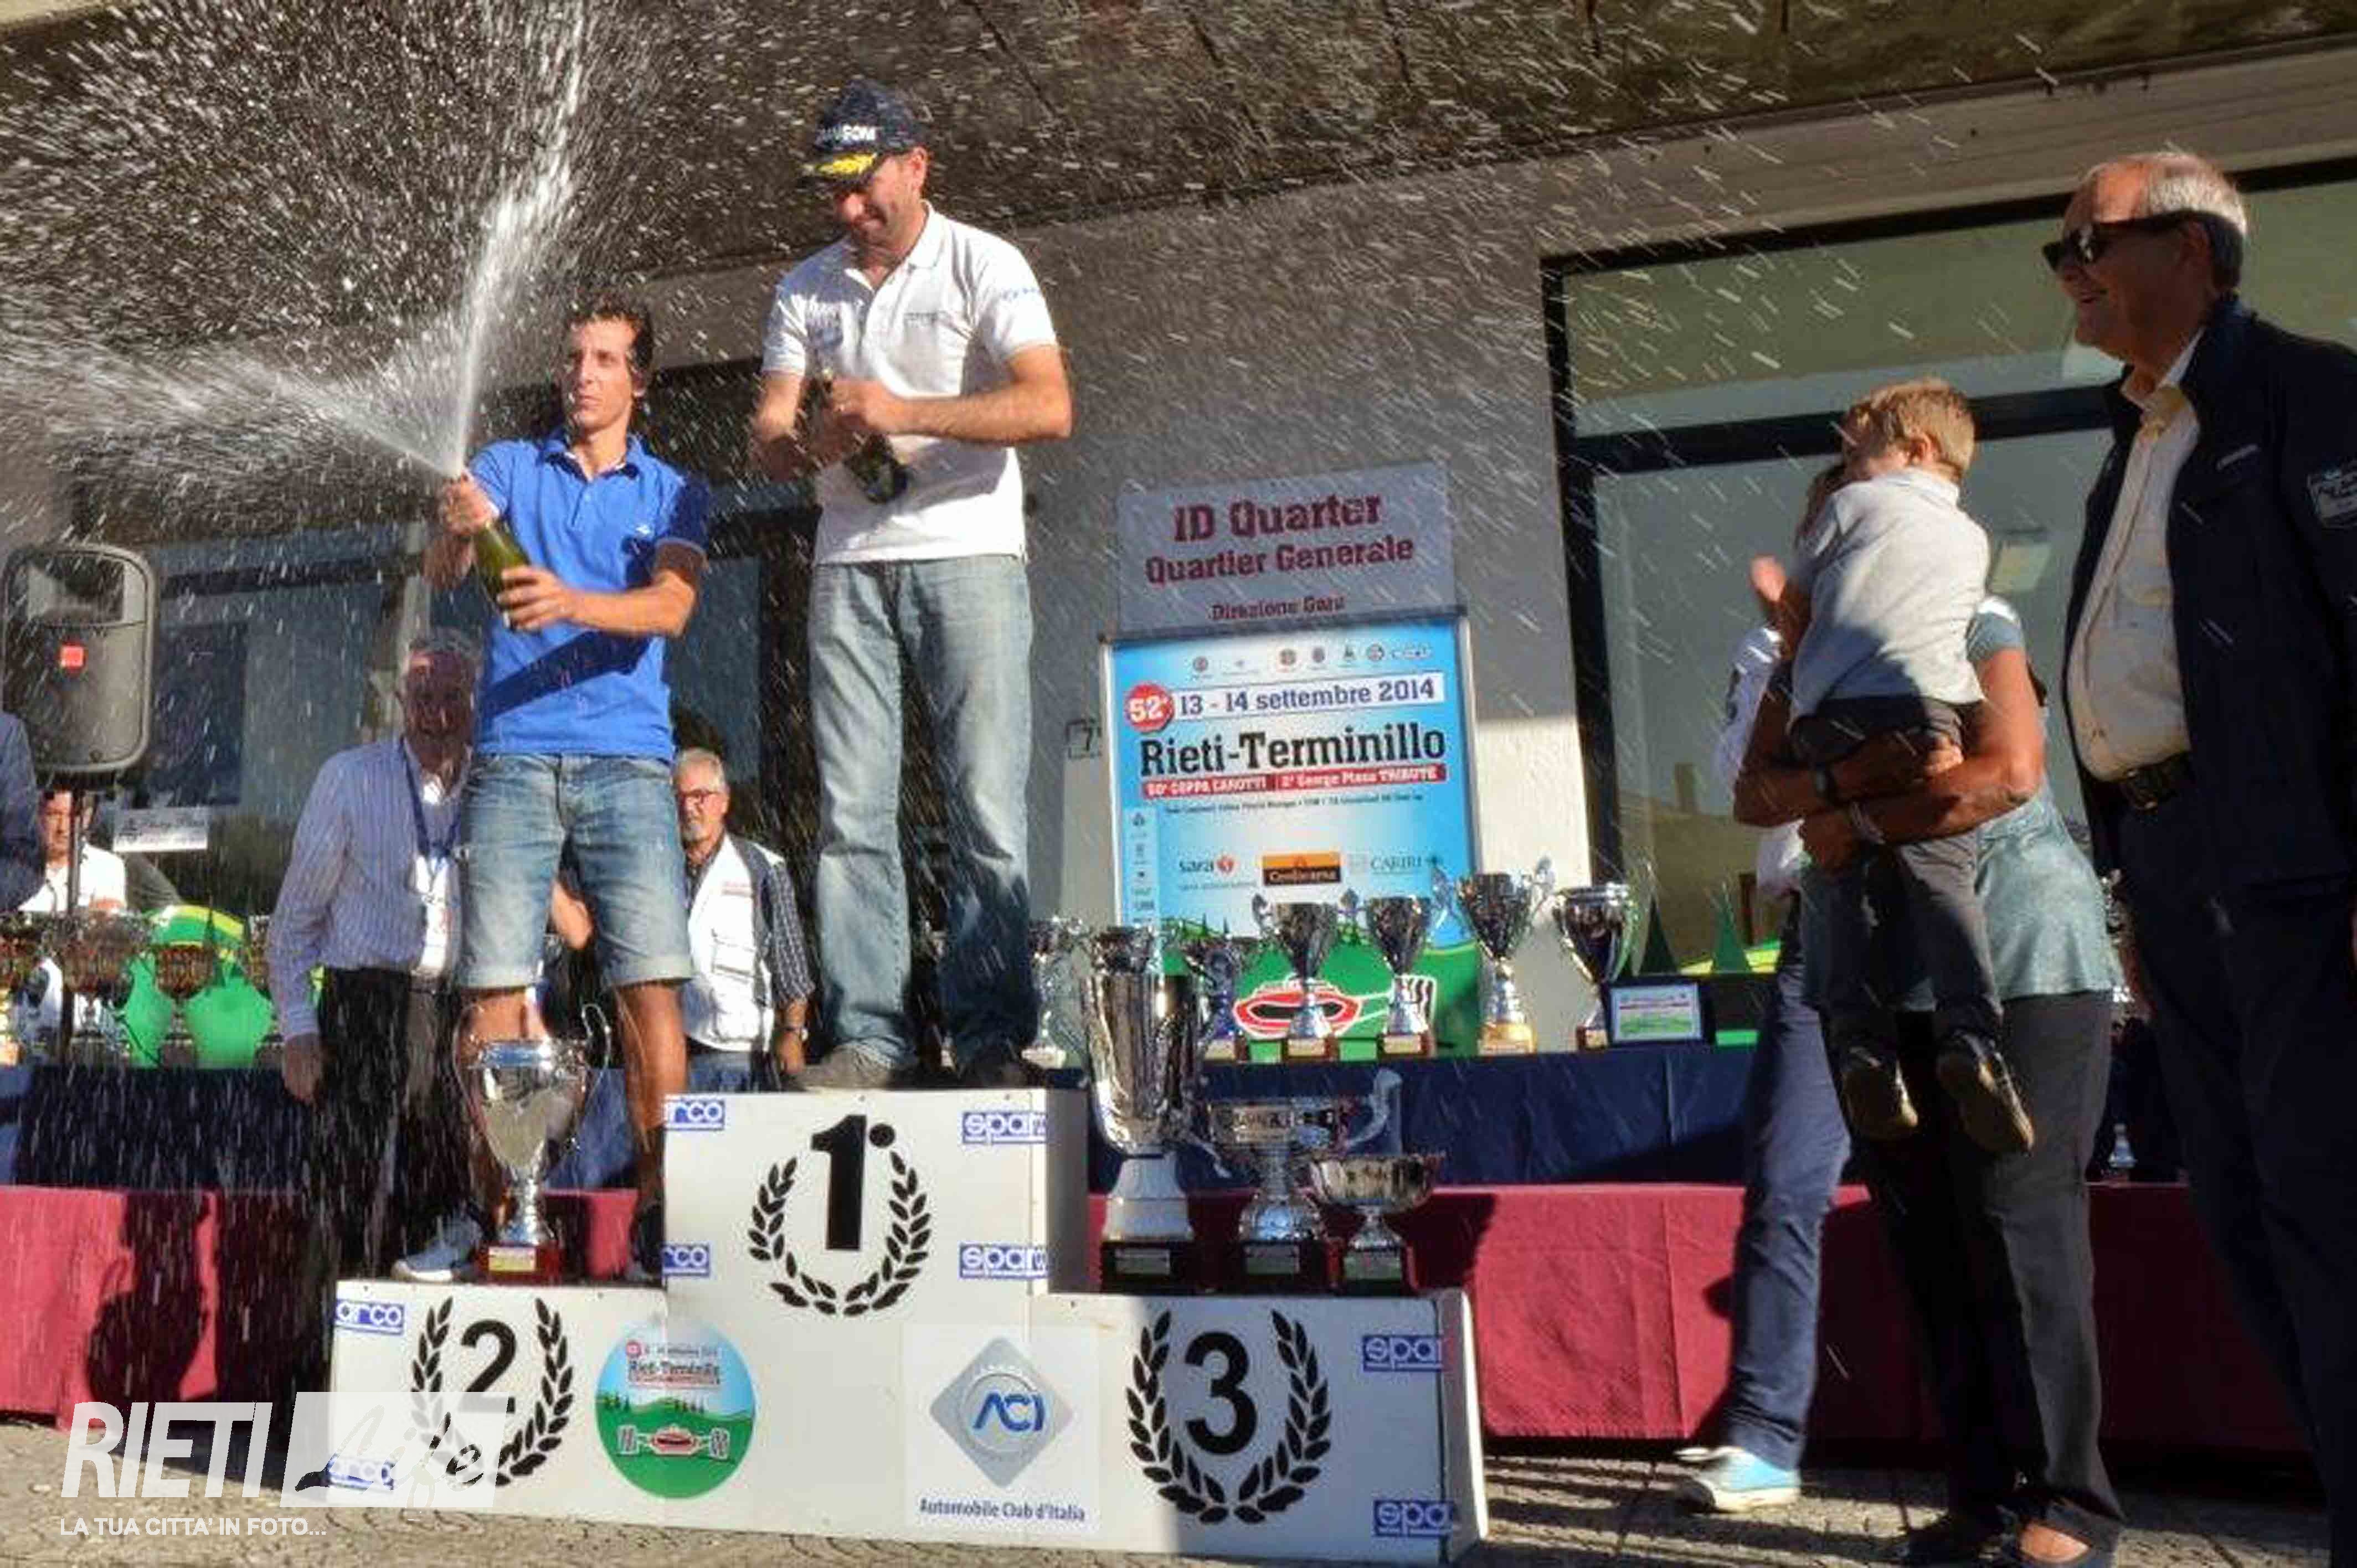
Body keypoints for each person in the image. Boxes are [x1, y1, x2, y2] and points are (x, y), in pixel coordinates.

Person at [2052, 149, 2357, 1565]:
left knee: (2325, 1211)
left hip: (2295, 873)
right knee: (2243, 1217)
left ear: (2188, 246)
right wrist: (2130, 891)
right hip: (2177, 874)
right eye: (2062, 250)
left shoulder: (2306, 394)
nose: (2069, 272)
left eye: (2088, 241)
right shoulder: (2138, 436)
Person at [1736, 593, 2124, 1568]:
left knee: (2017, 1223)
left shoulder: (1972, 616)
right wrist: (1845, 777)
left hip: (2021, 960)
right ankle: (1981, 1498)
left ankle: (2070, 1506)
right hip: (1873, 979)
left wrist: (1849, 811)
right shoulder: (1809, 656)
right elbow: (1755, 796)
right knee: (1930, 1240)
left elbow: (2005, 774)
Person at [748, 78, 1072, 1090]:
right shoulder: (805, 287)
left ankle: (989, 1039)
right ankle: (868, 1040)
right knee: (851, 810)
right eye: (833, 190)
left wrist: (902, 410)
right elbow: (768, 438)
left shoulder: (985, 261)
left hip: (972, 551)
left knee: (985, 804)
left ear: (917, 164)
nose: (850, 208)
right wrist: (819, 437)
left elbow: (1049, 405)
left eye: (865, 185)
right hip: (847, 561)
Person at [407, 292, 709, 1282]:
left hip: (630, 760)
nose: (583, 374)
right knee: (492, 990)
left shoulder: (674, 490)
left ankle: (661, 1222)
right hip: (513, 757)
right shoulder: (506, 466)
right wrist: (457, 529)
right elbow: (444, 571)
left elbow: (671, 608)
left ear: (640, 380)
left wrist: (571, 600)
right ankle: (495, 1220)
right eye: (574, 356)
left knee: (649, 989)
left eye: (606, 359)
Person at [1773, 380, 2029, 1156]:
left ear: (1914, 451)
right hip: (1925, 712)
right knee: (1943, 879)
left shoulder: (1850, 508)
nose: (1849, 469)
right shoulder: (1972, 538)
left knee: (1842, 878)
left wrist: (1796, 660)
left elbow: (1797, 606)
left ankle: (1860, 1045)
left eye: (1860, 454)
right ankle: (1972, 1036)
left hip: (1831, 716)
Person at [268, 631, 478, 1322]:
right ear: (400, 700)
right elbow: (293, 924)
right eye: (423, 697)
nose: (437, 714)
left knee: (437, 1206)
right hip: (364, 1003)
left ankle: (417, 1369)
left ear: (474, 702)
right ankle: (321, 1369)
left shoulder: (496, 785)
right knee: (345, 1199)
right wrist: (299, 1032)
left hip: (453, 1009)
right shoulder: (349, 778)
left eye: (452, 697)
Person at [673, 747, 813, 1083]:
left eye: (700, 796)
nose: (688, 808)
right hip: (669, 1052)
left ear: (724, 801)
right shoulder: (655, 869)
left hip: (739, 1058)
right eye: (679, 797)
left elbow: (791, 966)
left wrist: (792, 1033)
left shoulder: (763, 867)